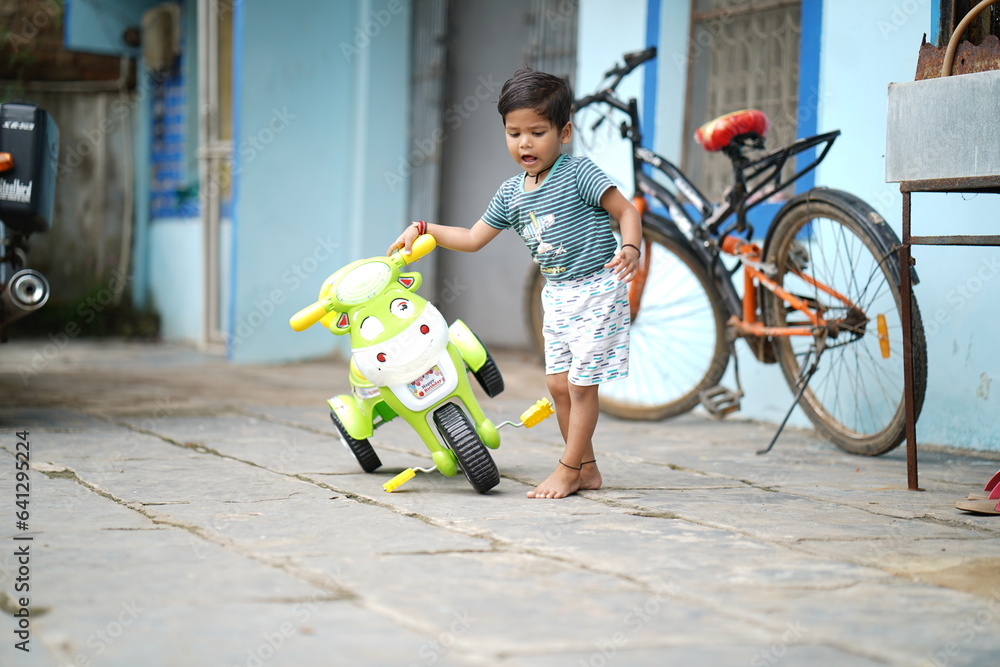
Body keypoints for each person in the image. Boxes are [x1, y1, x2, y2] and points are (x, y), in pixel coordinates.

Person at [388, 68, 642, 499]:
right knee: (558, 386)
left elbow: (627, 211)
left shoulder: (579, 173)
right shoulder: (511, 194)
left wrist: (632, 248)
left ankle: (566, 469)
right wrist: (422, 226)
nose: (524, 143)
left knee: (581, 386)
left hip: (598, 287)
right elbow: (471, 239)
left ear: (563, 132)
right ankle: (587, 468)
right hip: (557, 296)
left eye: (537, 132)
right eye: (514, 132)